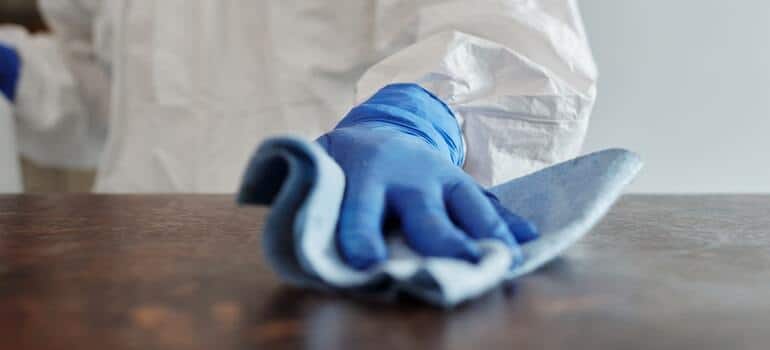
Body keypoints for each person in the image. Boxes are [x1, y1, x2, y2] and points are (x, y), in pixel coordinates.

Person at [0, 0, 597, 269]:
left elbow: (513, 29)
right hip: (138, 271)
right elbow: (106, 101)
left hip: (343, 247)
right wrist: (17, 70)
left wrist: (420, 115)